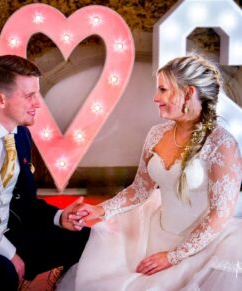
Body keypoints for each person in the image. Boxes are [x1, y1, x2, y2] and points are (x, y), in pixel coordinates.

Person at [56, 54, 242, 291]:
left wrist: (173, 256)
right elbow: (139, 190)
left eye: (163, 90)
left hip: (205, 246)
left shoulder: (222, 144)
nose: (156, 98)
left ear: (189, 93)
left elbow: (219, 215)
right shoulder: (156, 134)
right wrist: (100, 209)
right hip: (155, 235)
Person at [0, 55, 89, 291]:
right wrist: (10, 253)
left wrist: (59, 217)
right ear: (1, 99)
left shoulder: (22, 136)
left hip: (13, 232)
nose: (38, 103)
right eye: (29, 95)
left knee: (85, 238)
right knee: (2, 272)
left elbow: (24, 203)